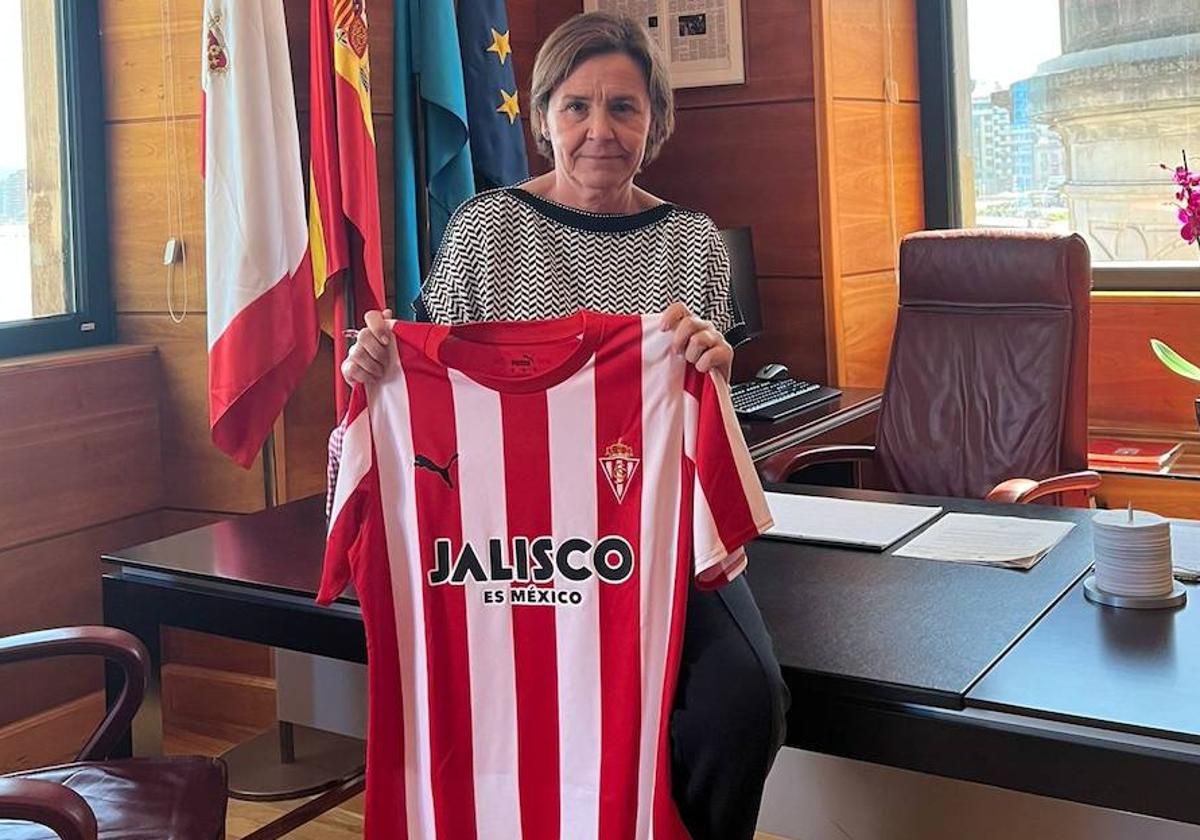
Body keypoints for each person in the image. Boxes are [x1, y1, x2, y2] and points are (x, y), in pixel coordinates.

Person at [335, 11, 788, 839]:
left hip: (645, 537)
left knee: (745, 700)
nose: (599, 131)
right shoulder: (484, 229)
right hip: (508, 546)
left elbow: (703, 419)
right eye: (576, 106)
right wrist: (374, 369)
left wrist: (713, 372)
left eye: (624, 107)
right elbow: (430, 385)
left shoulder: (692, 243)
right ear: (542, 117)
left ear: (655, 120)